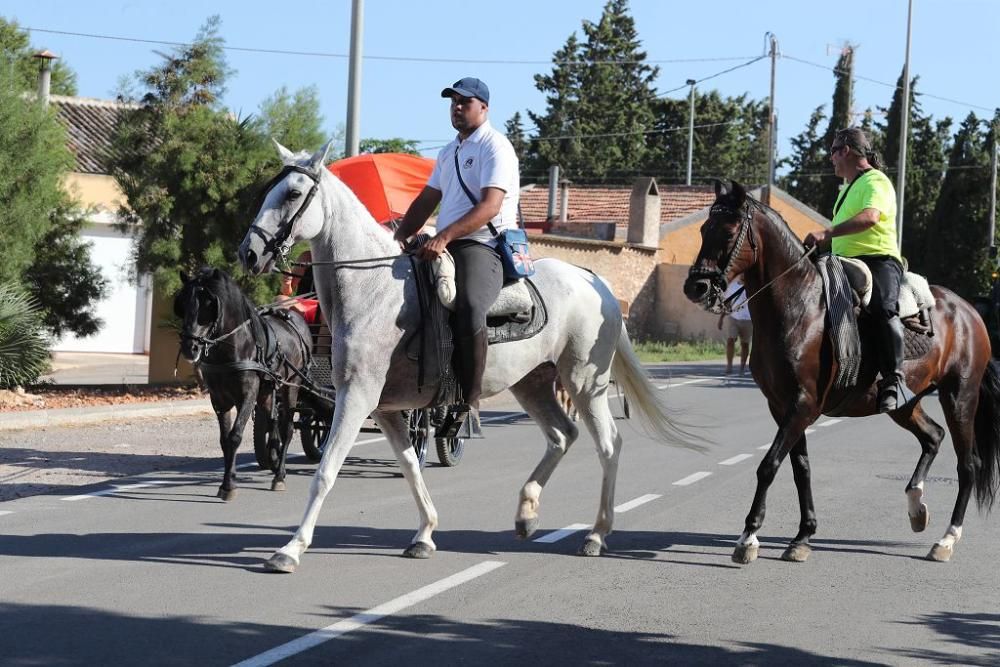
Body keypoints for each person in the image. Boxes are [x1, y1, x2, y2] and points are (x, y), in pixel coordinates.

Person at [393, 77, 520, 436]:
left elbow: (490, 206)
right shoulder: (449, 152)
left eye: (465, 102)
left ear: (484, 107)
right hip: (444, 242)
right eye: (453, 102)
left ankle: (469, 399)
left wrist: (445, 235)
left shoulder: (496, 147)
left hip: (481, 245)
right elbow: (426, 201)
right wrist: (398, 237)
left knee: (467, 305)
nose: (457, 107)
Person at [803, 127, 915, 413]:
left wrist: (826, 232)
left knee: (881, 308)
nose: (830, 159)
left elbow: (870, 217)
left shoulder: (876, 181)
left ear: (847, 151)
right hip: (843, 262)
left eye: (832, 152)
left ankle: (894, 379)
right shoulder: (846, 190)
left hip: (877, 259)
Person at [717, 276, 752, 376]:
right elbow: (727, 303)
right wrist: (721, 318)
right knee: (730, 340)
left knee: (745, 344)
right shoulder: (732, 287)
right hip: (734, 317)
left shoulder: (753, 286)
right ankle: (729, 365)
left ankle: (742, 366)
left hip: (748, 319)